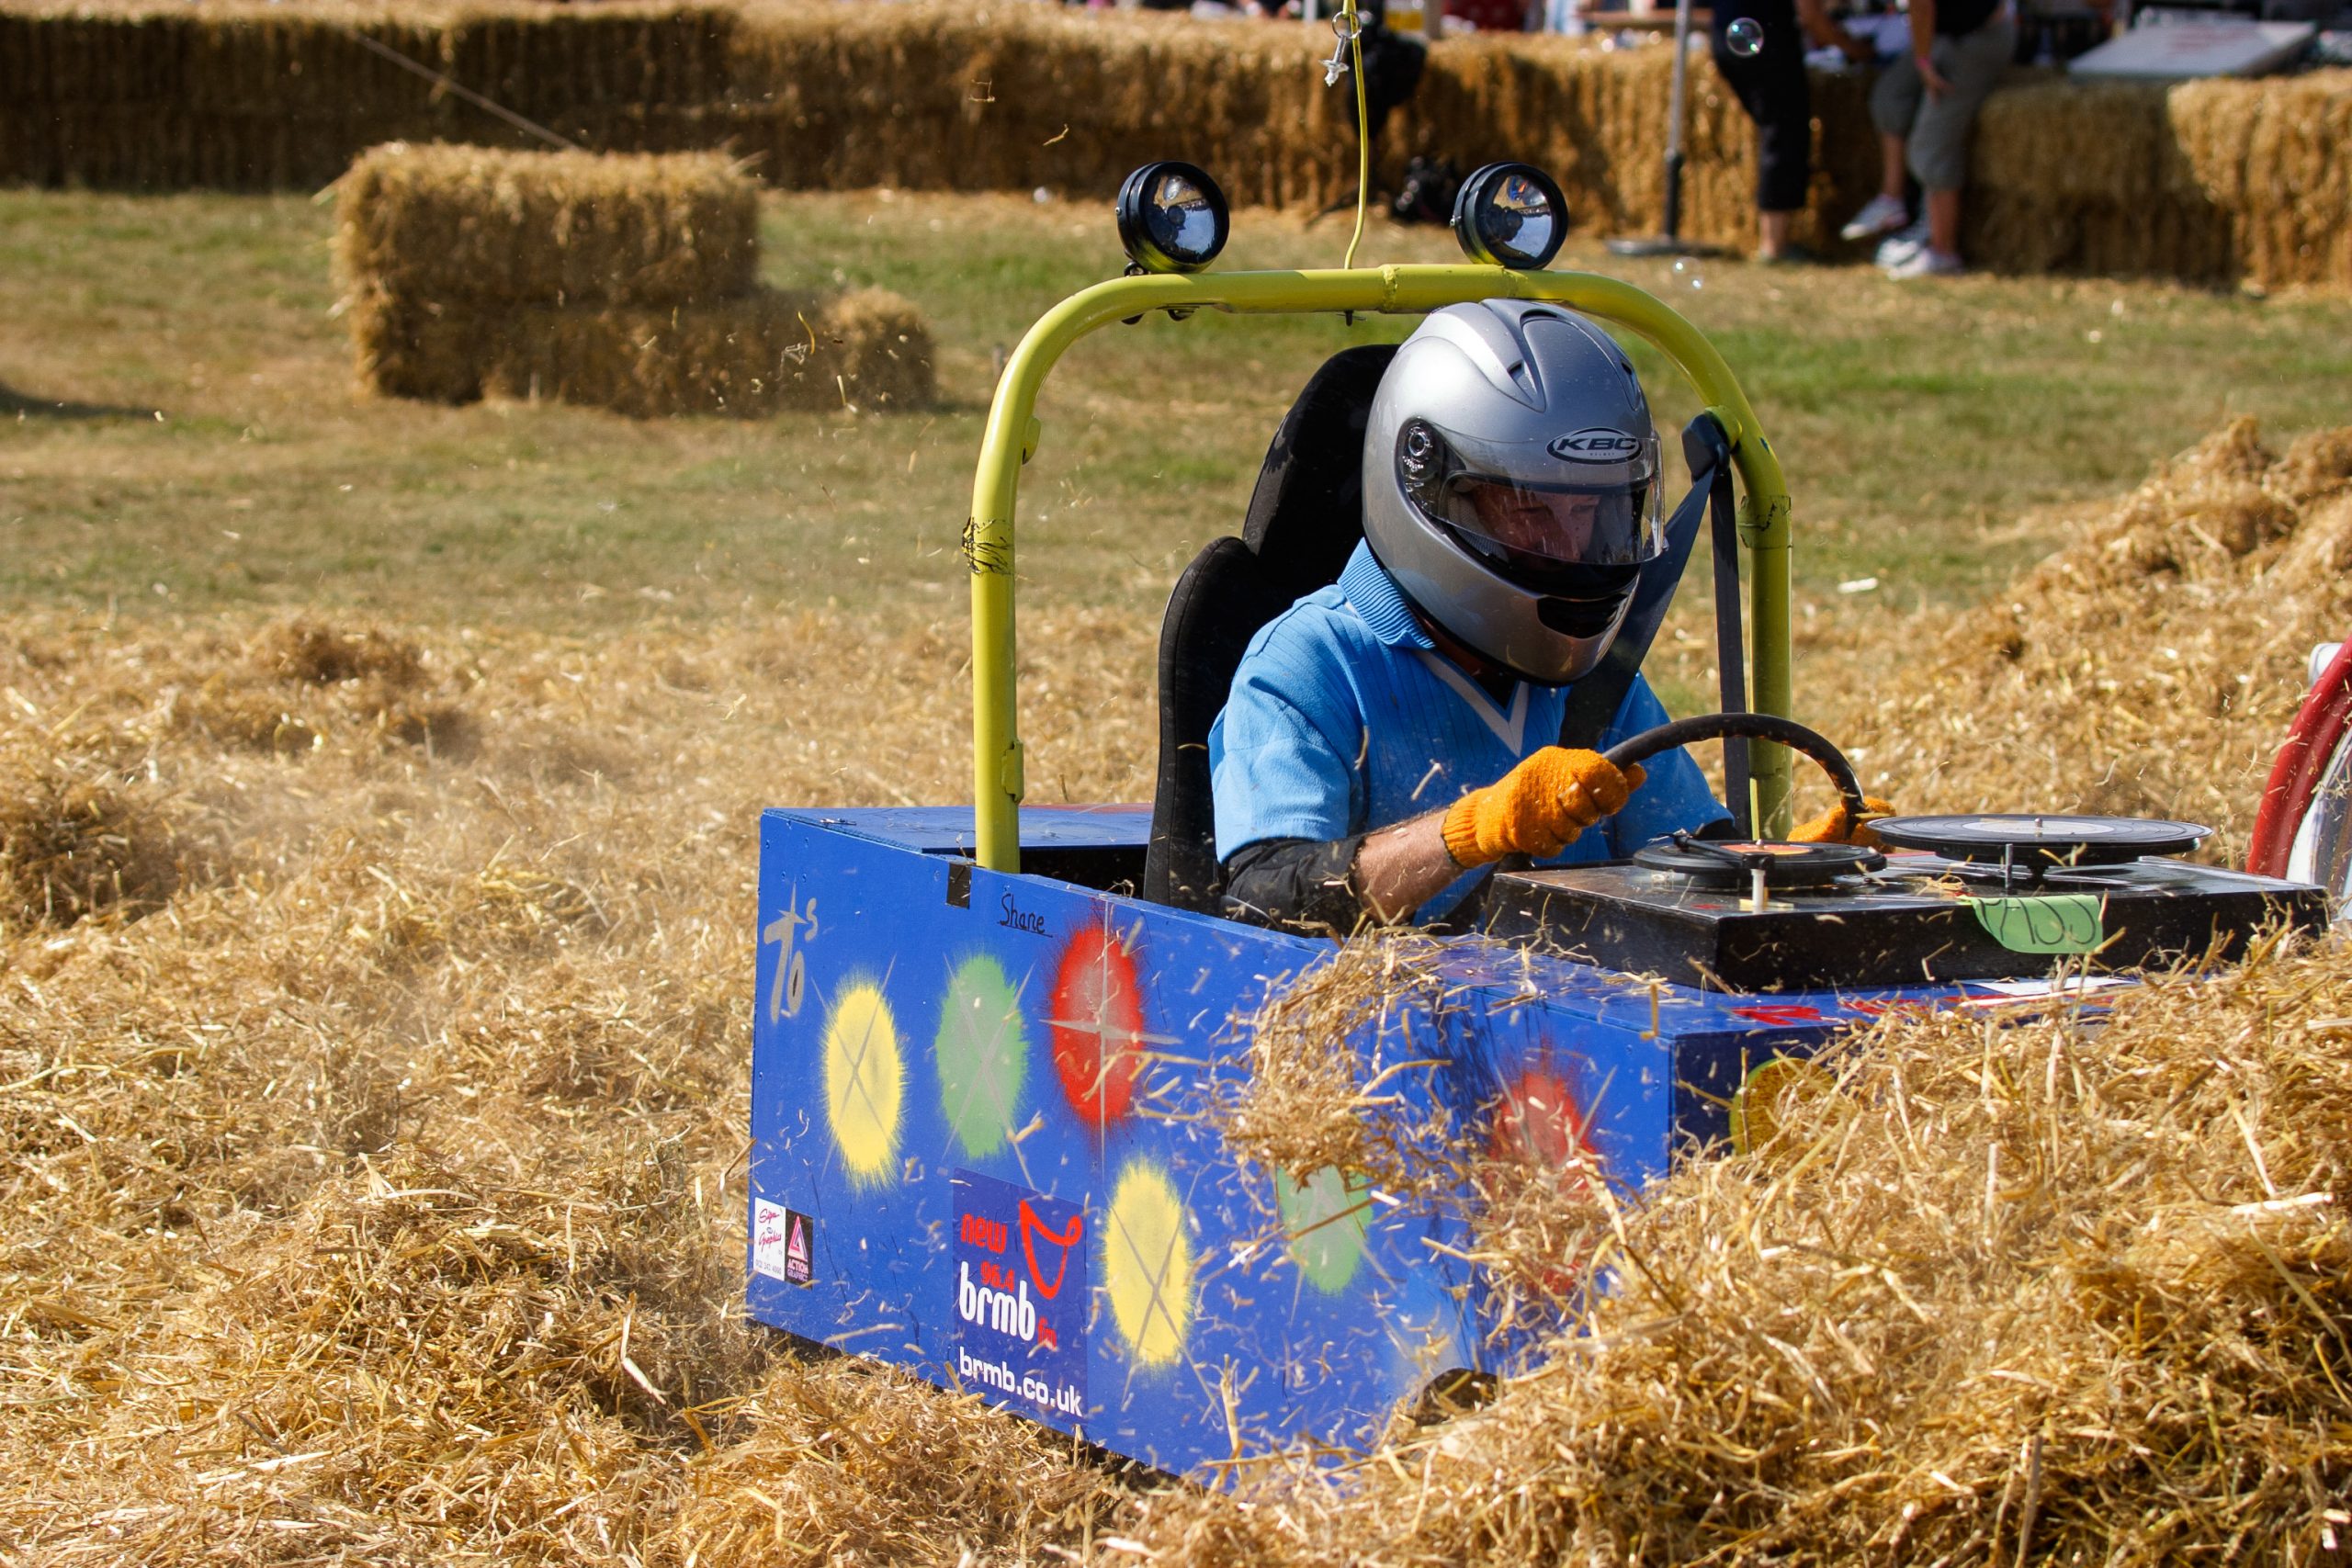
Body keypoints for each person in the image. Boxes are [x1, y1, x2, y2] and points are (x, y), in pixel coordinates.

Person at [1208, 301, 1885, 931]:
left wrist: (1789, 876)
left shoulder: (1591, 676)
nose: (1569, 549)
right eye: (1532, 511)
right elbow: (1265, 899)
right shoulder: (1306, 664)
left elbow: (1684, 864)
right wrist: (1472, 830)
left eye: (1591, 514)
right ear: (1434, 492)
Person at [1839, 0, 2017, 278]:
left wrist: (1924, 63)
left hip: (1977, 38)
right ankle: (1892, 200)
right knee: (1890, 98)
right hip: (1943, 35)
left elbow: (1921, 5)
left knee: (1929, 147)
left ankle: (1943, 251)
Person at [1711, 0, 1874, 263]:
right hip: (1770, 44)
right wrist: (1855, 49)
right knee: (1784, 134)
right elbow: (1811, 14)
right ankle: (1774, 245)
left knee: (1775, 132)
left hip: (1726, 36)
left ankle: (1773, 238)